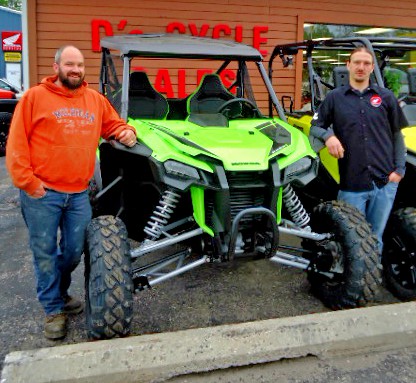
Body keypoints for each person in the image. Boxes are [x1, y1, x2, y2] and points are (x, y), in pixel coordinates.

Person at [6, 45, 137, 340]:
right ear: (56, 68)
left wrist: (125, 132)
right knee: (44, 254)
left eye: (79, 64)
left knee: (73, 252)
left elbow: (113, 124)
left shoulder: (94, 100)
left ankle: (61, 293)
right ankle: (53, 310)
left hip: (78, 194)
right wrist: (29, 183)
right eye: (69, 64)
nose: (75, 69)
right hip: (43, 193)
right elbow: (16, 145)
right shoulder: (33, 98)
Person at [310, 47, 408, 253]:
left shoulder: (386, 97)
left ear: (372, 68)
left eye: (366, 63)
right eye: (357, 62)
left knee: (374, 238)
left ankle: (371, 284)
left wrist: (399, 171)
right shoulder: (334, 98)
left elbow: (397, 135)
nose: (361, 67)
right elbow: (315, 126)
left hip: (384, 182)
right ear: (348, 65)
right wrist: (328, 137)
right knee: (350, 240)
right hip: (351, 184)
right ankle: (352, 283)